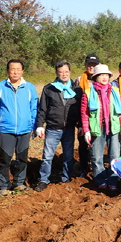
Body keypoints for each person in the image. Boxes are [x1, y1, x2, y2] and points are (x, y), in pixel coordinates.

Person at [0, 59, 38, 197]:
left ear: (22, 71)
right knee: (5, 159)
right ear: (8, 71)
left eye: (18, 69)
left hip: (25, 129)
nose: (15, 72)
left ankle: (19, 183)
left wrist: (33, 125)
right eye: (12, 69)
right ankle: (4, 186)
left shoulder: (30, 87)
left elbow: (34, 108)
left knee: (22, 158)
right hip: (6, 129)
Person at [34, 61, 82, 191]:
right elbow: (43, 109)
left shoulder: (77, 89)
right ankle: (43, 180)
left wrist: (80, 125)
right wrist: (40, 125)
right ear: (56, 73)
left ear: (70, 72)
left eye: (66, 71)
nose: (64, 74)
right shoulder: (49, 88)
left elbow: (80, 110)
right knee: (47, 157)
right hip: (52, 128)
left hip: (69, 129)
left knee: (68, 156)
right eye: (61, 72)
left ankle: (66, 178)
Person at [81, 64, 121, 190]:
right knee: (96, 156)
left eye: (106, 75)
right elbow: (85, 114)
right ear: (95, 77)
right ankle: (100, 180)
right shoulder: (88, 93)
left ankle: (113, 180)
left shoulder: (115, 91)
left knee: (114, 156)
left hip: (114, 127)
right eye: (101, 75)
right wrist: (86, 130)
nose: (104, 77)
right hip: (97, 128)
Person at [74, 53, 100, 177]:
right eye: (89, 64)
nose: (91, 67)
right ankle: (84, 168)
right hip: (83, 118)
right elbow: (75, 102)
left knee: (97, 144)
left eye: (94, 65)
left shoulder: (101, 78)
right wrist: (78, 122)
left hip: (98, 118)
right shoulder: (79, 80)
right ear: (85, 65)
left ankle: (96, 169)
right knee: (83, 144)